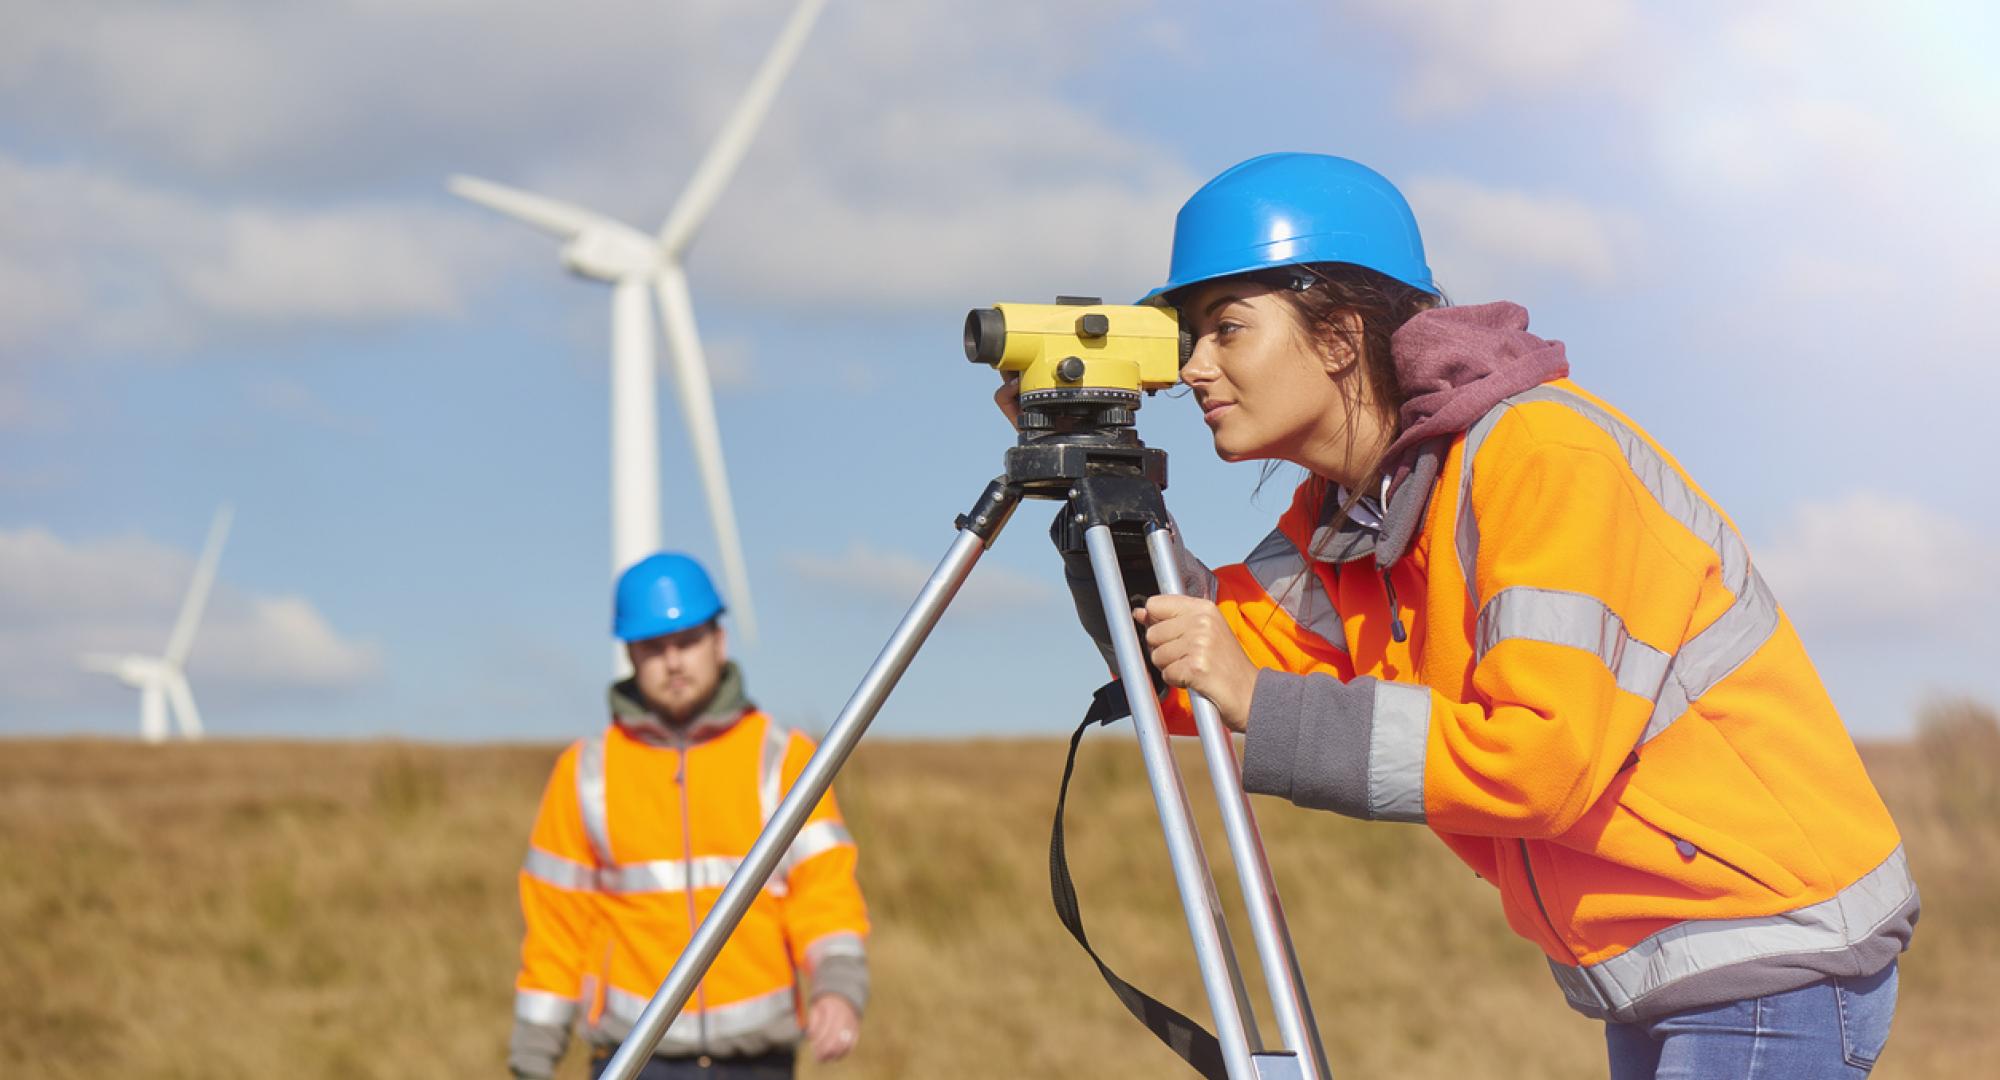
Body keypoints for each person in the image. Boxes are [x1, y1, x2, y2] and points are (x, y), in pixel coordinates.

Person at [1008, 153, 1918, 1079]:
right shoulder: (1357, 519)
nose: (1197, 369)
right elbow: (1195, 678)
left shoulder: (1542, 458)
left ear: (1338, 336)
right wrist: (1095, 489)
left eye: (1225, 330)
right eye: (1187, 339)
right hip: (1660, 962)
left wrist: (1263, 703)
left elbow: (1540, 759)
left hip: (1763, 940)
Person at [509, 553, 869, 1080]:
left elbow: (824, 892)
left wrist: (838, 987)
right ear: (630, 653)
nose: (673, 661)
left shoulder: (782, 757)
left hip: (758, 1064)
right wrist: (531, 1059)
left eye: (687, 641)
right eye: (654, 647)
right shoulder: (585, 771)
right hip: (631, 1060)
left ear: (719, 641)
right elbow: (555, 929)